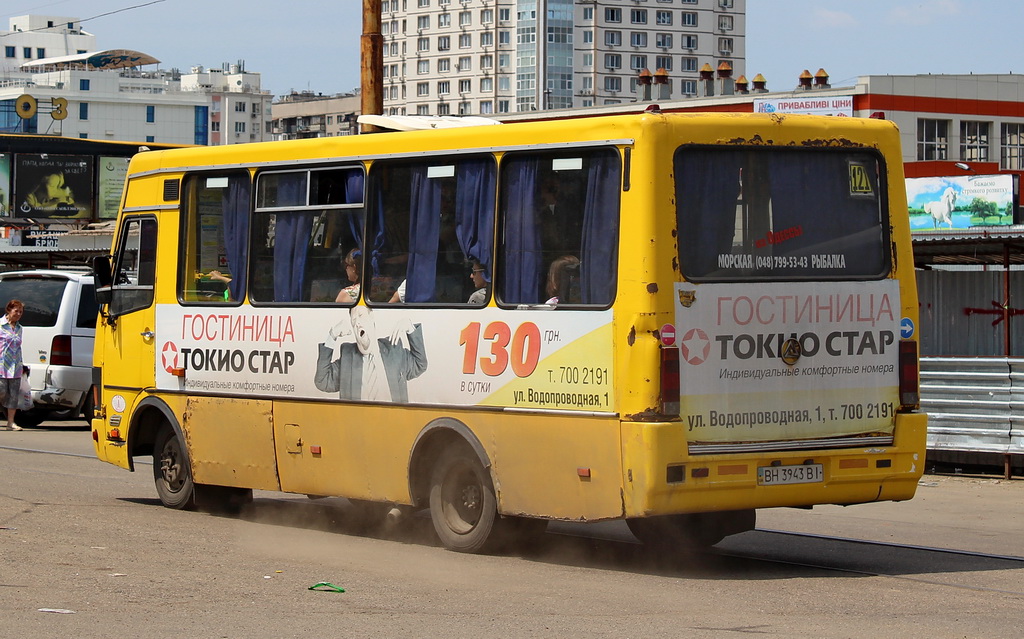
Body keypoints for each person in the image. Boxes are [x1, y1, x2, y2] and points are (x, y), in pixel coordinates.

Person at [314, 306, 427, 402]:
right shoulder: (347, 356)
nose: (357, 323)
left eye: (361, 315)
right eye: (353, 320)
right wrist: (332, 336)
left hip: (392, 423)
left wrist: (410, 328)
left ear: (371, 317)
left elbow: (420, 364)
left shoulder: (394, 349)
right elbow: (322, 381)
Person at [0, 299, 25, 431]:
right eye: (16, 311)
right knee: (1, 391)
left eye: (21, 311)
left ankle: (11, 423)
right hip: (1, 366)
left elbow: (19, 348)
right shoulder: (0, 325)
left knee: (14, 395)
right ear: (9, 310)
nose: (19, 314)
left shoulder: (20, 328)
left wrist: (23, 365)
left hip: (15, 367)